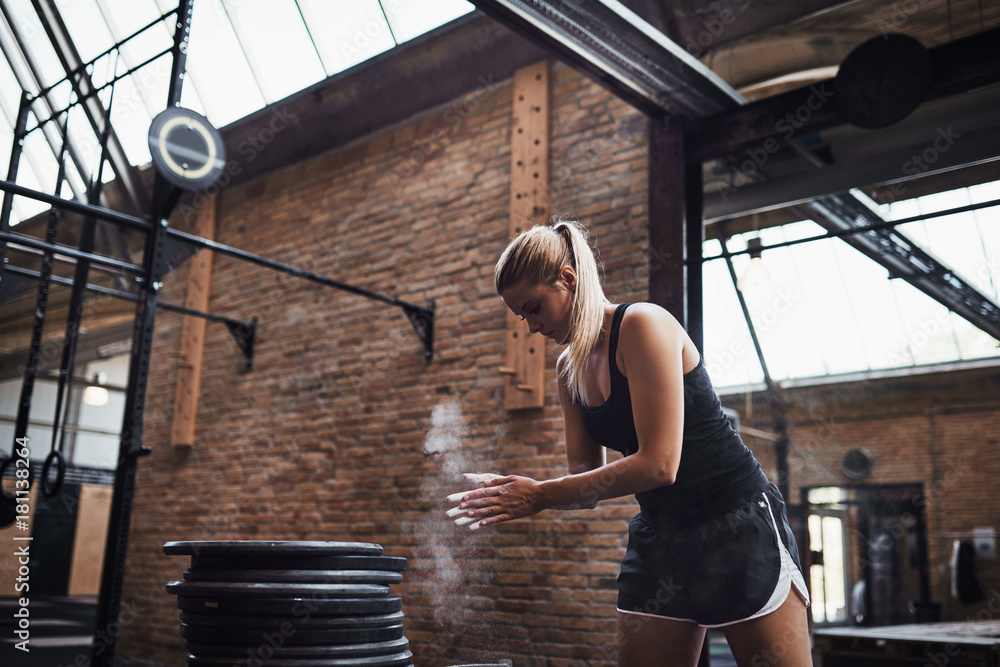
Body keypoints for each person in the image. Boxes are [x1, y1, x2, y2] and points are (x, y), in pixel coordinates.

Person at [446, 219, 812, 666]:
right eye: (522, 316)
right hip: (662, 537)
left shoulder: (642, 325)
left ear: (568, 279)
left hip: (734, 520)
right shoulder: (568, 371)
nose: (531, 326)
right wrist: (523, 491)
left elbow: (660, 465)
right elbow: (585, 485)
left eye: (534, 307)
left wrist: (540, 495)